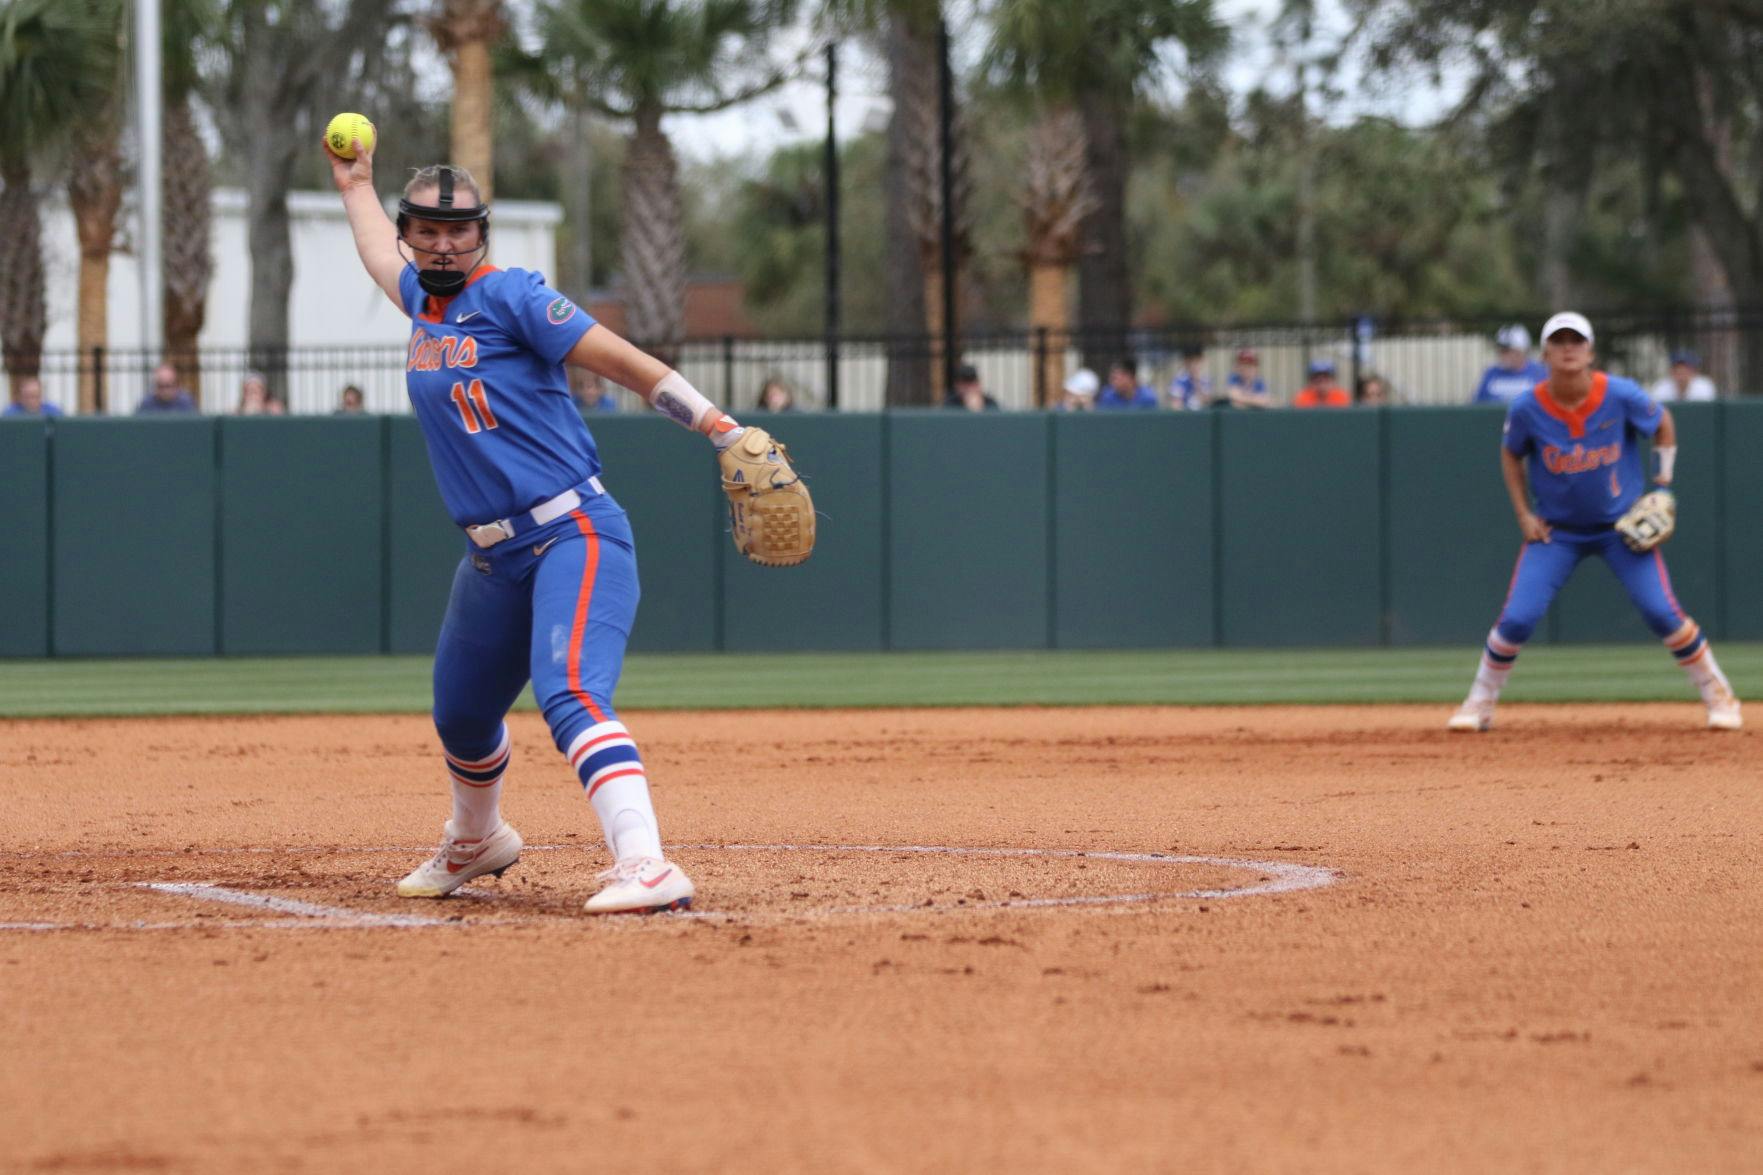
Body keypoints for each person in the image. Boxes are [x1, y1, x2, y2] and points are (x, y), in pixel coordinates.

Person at [326, 136, 774, 914]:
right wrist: (355, 185)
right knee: (461, 713)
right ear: (409, 233)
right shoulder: (421, 302)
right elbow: (371, 247)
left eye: (457, 229)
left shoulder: (512, 296)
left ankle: (647, 863)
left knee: (568, 691)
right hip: (492, 559)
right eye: (426, 231)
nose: (442, 242)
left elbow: (624, 361)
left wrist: (720, 427)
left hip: (572, 532)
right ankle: (478, 839)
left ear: (481, 233)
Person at [1448, 312, 1741, 733]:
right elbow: (1512, 452)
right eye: (1559, 340)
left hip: (1621, 530)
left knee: (1663, 612)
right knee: (1517, 619)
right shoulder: (1528, 406)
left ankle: (1719, 695)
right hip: (1557, 532)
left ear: (1590, 350)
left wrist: (1663, 483)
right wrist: (1523, 514)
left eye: (1577, 340)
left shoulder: (1619, 394)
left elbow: (1663, 423)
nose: (1569, 347)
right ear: (1545, 351)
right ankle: (1479, 703)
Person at [1471, 324, 1549, 404]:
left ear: (1521, 351)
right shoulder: (1491, 373)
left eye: (1506, 350)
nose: (1501, 354)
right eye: (1500, 350)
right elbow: (1476, 405)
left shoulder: (1539, 373)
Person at [1649, 350, 1717, 403]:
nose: (1682, 375)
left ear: (1694, 372)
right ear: (1671, 371)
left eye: (1686, 370)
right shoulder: (1660, 388)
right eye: (1677, 370)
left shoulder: (1704, 386)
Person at [1168, 345, 1210, 410]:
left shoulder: (1205, 380)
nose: (1194, 365)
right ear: (1186, 362)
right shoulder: (1179, 380)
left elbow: (1207, 401)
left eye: (1197, 361)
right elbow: (1176, 404)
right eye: (1191, 361)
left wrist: (1197, 382)